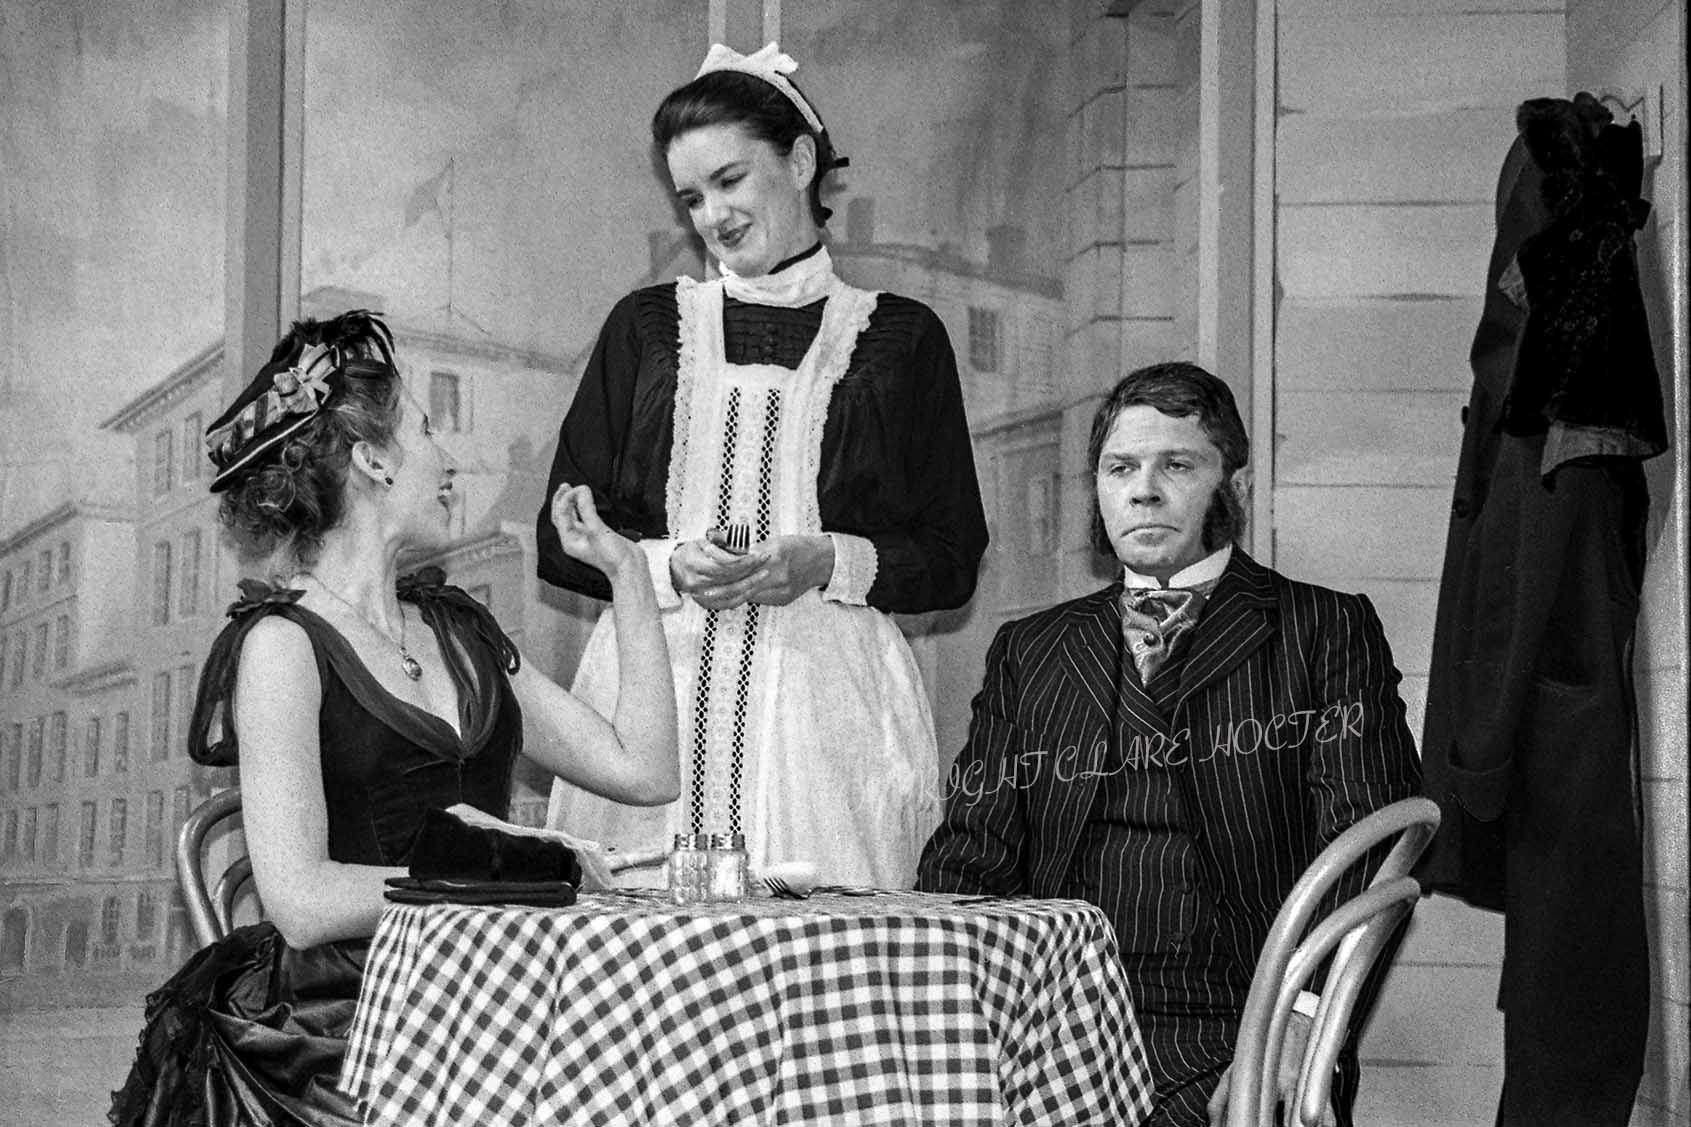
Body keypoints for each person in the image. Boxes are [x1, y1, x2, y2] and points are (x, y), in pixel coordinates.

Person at [109, 311, 678, 1127]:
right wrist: (495, 881)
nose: (449, 459)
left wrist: (628, 575)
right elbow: (300, 900)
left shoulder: (460, 631)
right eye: (427, 431)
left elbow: (645, 770)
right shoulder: (282, 645)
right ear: (372, 458)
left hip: (495, 1002)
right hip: (353, 1030)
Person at [917, 362, 1421, 1127]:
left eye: (1176, 465)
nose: (1142, 490)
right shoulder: (1033, 648)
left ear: (1234, 487)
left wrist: (1300, 1020)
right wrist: (950, 1020)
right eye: (1120, 468)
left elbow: (1365, 849)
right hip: (1051, 1024)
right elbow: (967, 858)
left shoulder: (1322, 630)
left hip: (1241, 1026)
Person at [536, 43, 988, 888]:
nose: (712, 215)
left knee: (827, 946)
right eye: (691, 197)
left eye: (730, 180)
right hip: (652, 702)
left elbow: (952, 556)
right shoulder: (645, 329)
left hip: (828, 715)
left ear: (801, 161)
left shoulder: (901, 338)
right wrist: (667, 565)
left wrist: (828, 560)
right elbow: (558, 538)